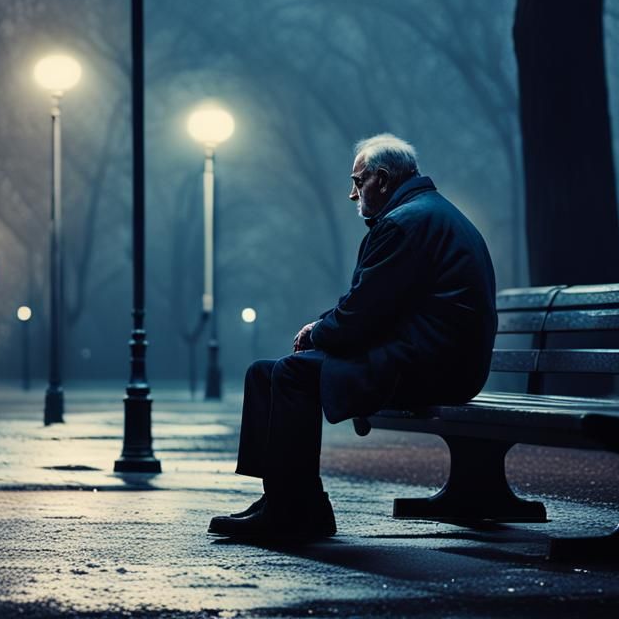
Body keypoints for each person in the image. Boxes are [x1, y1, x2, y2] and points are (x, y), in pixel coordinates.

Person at [208, 133, 497, 542]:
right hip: (432, 357)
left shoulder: (403, 224)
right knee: (263, 373)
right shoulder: (425, 214)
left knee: (290, 374)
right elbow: (373, 303)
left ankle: (293, 512)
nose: (352, 194)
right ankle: (285, 498)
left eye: (358, 182)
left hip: (430, 367)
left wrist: (317, 332)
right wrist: (322, 328)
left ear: (382, 179)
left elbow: (363, 315)